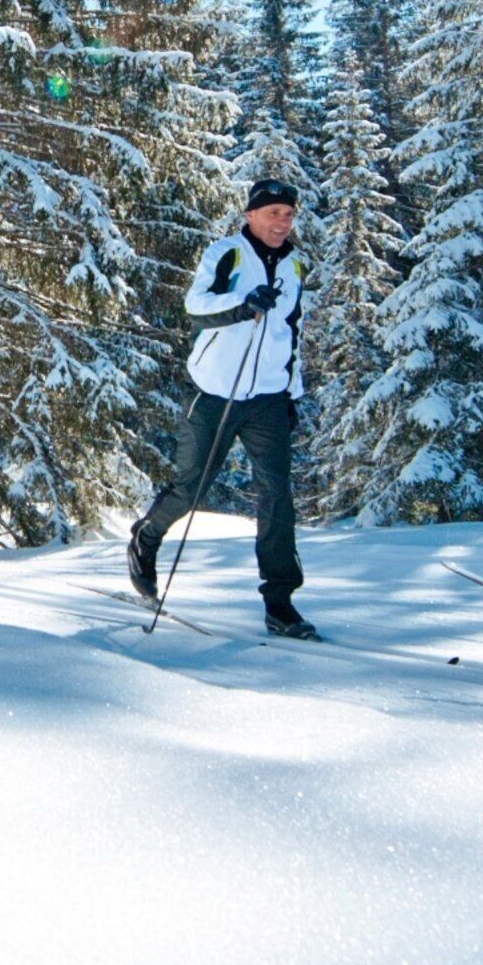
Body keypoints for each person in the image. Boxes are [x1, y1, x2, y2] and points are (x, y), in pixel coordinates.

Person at [129, 177, 317, 640]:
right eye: (274, 213)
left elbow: (290, 335)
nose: (282, 222)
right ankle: (146, 537)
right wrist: (243, 304)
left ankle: (280, 604)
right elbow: (196, 307)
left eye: (289, 214)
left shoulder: (296, 267)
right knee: (192, 488)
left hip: (268, 397)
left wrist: (291, 393)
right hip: (215, 391)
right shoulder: (227, 253)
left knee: (277, 498)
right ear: (252, 214)